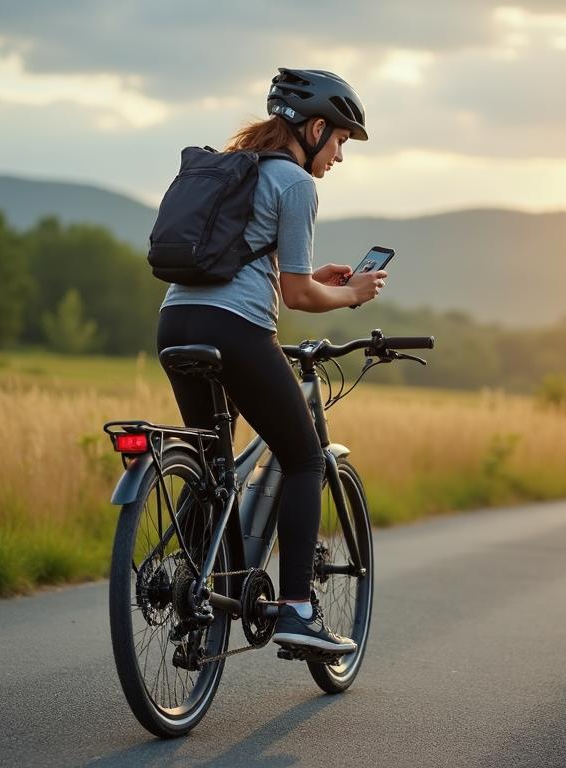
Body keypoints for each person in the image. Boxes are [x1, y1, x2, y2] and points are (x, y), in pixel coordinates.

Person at [156, 68, 386, 654]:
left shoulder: (239, 169)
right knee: (305, 458)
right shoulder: (297, 185)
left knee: (213, 464)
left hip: (175, 324)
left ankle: (197, 608)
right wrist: (354, 294)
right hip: (236, 330)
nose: (339, 155)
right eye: (338, 141)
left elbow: (281, 269)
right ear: (313, 128)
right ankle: (298, 611)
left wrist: (321, 276)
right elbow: (299, 295)